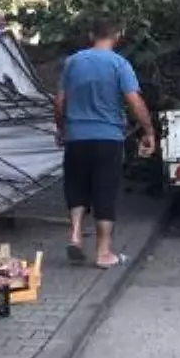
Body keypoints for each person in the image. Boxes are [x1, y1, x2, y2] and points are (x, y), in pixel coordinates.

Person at [54, 19, 156, 269]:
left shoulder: (73, 62)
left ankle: (76, 236)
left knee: (76, 186)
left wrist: (61, 128)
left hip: (76, 137)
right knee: (104, 193)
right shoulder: (119, 64)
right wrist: (148, 131)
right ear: (118, 36)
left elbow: (59, 102)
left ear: (91, 34)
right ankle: (103, 254)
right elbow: (134, 101)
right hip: (107, 138)